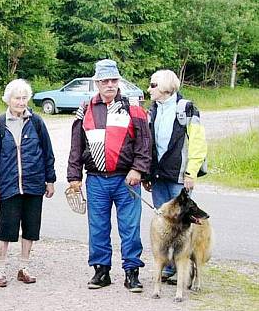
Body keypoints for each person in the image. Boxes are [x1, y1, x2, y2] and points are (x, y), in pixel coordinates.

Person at [67, 59, 151, 293]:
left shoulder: (133, 107)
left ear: (119, 81)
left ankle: (132, 272)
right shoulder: (85, 109)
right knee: (98, 228)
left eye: (114, 80)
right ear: (97, 83)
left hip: (126, 179)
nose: (110, 85)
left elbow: (145, 143)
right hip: (95, 179)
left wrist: (138, 169)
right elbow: (76, 144)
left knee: (130, 227)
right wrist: (74, 176)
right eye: (105, 81)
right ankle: (101, 271)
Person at [0, 79, 56, 288]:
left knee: (31, 227)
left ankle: (24, 267)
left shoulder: (36, 122)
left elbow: (47, 152)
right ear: (8, 99)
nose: (21, 102)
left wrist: (50, 180)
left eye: (24, 98)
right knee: (6, 228)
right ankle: (1, 270)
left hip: (34, 183)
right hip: (9, 185)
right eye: (17, 98)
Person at [143, 69, 208, 282]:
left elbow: (198, 143)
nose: (149, 89)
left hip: (179, 176)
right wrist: (147, 173)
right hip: (158, 175)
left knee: (185, 226)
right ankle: (168, 267)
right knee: (164, 225)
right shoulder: (152, 110)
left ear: (165, 87)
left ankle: (188, 269)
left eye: (153, 85)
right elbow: (149, 144)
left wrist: (192, 172)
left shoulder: (187, 109)